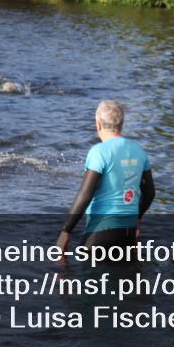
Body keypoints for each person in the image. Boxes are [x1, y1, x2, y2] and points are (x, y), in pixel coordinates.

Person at [56, 101, 155, 255]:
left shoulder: (99, 152)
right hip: (128, 235)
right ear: (121, 124)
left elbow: (85, 195)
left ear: (98, 124)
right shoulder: (139, 151)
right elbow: (149, 193)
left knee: (76, 273)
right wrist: (137, 218)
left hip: (100, 233)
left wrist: (65, 231)